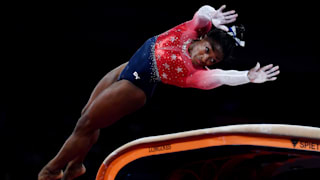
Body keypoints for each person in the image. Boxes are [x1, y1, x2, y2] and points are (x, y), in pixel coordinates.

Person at [38, 4, 280, 180]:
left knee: (86, 123)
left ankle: (52, 170)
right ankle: (76, 166)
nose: (206, 59)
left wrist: (246, 77)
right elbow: (202, 14)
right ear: (203, 38)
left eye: (213, 60)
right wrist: (213, 14)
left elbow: (222, 77)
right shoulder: (189, 31)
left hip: (135, 88)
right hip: (127, 67)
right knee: (87, 119)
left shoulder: (194, 75)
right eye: (207, 50)